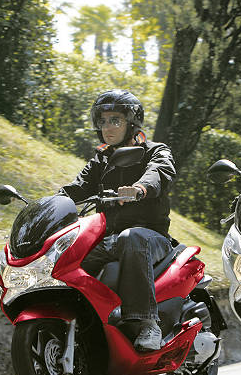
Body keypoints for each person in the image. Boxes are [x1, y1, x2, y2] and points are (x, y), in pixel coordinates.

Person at [58, 89, 176, 351]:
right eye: (102, 121)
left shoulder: (154, 151)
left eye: (115, 120)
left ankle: (147, 323)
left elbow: (159, 172)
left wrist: (140, 188)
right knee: (68, 254)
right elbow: (77, 188)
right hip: (107, 238)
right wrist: (47, 204)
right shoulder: (101, 159)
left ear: (131, 123)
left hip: (150, 237)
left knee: (131, 237)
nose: (107, 127)